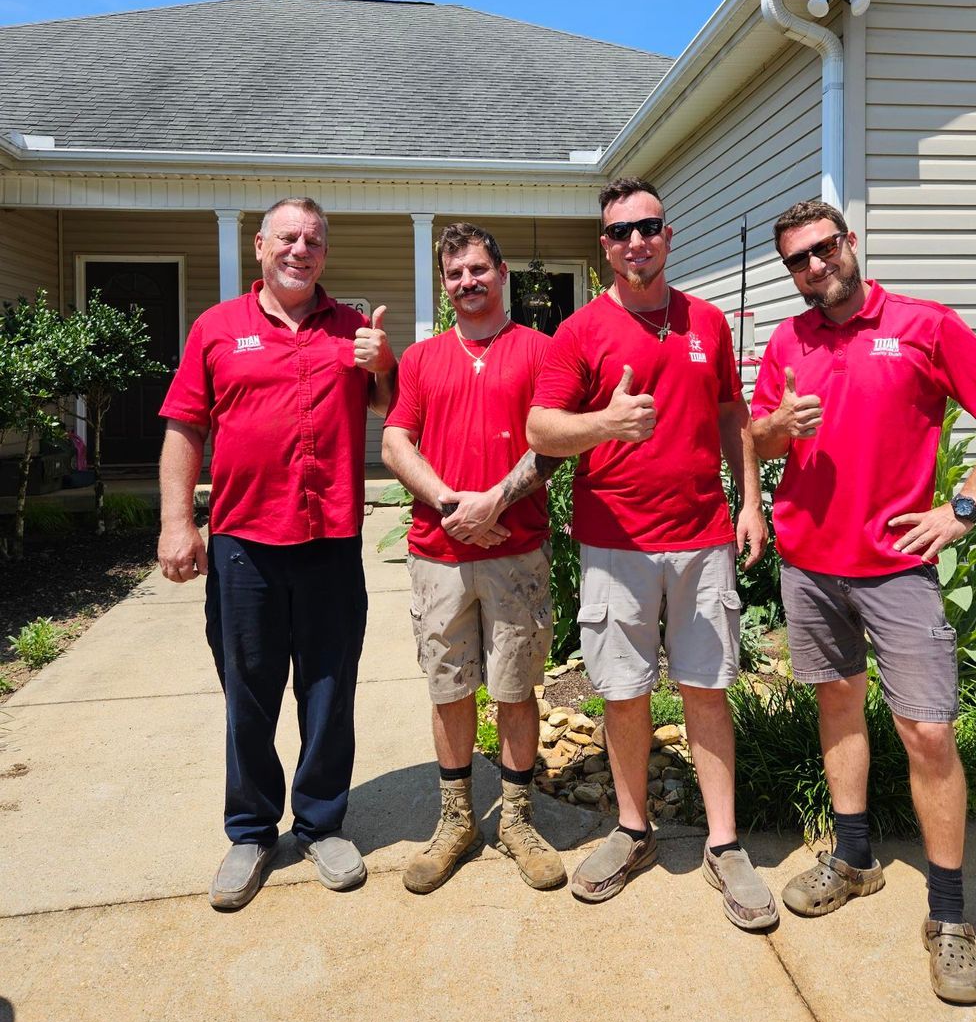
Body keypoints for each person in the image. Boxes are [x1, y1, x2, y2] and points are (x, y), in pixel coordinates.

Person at [751, 198, 976, 1004]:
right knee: (837, 706)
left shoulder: (922, 324)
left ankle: (948, 919)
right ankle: (852, 860)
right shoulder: (786, 339)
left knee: (927, 731)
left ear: (848, 244)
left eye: (821, 250)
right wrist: (774, 423)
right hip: (808, 564)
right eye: (796, 261)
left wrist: (963, 507)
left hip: (895, 567)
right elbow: (760, 441)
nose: (812, 268)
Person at [526, 178, 775, 931]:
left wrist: (751, 498)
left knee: (706, 688)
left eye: (649, 226)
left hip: (701, 539)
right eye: (620, 231)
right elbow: (541, 429)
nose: (636, 240)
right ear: (602, 247)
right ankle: (632, 831)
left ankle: (724, 845)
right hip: (615, 544)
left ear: (667, 235)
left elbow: (733, 412)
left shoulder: (706, 321)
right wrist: (605, 423)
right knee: (623, 692)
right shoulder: (578, 334)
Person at [157, 196, 397, 911]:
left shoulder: (353, 331)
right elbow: (183, 428)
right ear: (260, 246)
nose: (301, 250)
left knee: (329, 689)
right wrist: (178, 522)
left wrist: (383, 366)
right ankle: (252, 831)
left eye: (314, 240)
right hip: (243, 544)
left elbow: (395, 411)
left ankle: (321, 823)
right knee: (249, 691)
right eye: (288, 238)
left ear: (326, 252)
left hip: (329, 542)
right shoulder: (217, 328)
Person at [382, 223, 566, 894]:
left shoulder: (542, 352)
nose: (467, 282)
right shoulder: (422, 359)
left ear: (501, 271)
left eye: (477, 270)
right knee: (449, 687)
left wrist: (494, 502)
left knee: (516, 688)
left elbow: (552, 445)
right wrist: (451, 507)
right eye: (455, 273)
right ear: (444, 282)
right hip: (438, 556)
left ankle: (517, 819)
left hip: (516, 553)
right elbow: (397, 442)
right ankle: (456, 819)